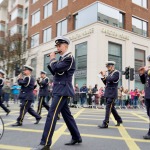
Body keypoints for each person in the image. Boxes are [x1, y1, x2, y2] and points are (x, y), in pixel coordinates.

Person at [32, 36, 82, 150]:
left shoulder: (69, 58)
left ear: (66, 46)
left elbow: (57, 69)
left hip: (62, 90)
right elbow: (55, 71)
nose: (58, 48)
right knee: (67, 116)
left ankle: (45, 143)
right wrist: (53, 61)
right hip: (59, 89)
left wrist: (52, 59)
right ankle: (76, 137)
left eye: (59, 46)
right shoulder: (62, 59)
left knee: (52, 114)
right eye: (57, 46)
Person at [98, 61, 123, 128]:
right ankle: (119, 120)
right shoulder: (110, 73)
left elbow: (111, 79)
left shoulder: (116, 73)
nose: (107, 68)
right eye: (107, 67)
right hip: (108, 92)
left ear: (112, 66)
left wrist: (104, 75)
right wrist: (102, 77)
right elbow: (106, 83)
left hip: (112, 93)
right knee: (112, 108)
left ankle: (105, 123)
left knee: (108, 108)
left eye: (108, 66)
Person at [139, 55, 150, 139]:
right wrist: (142, 73)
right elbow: (143, 82)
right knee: (149, 113)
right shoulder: (147, 70)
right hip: (148, 95)